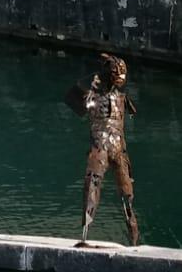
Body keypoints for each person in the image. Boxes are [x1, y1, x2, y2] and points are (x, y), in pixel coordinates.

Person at [65, 52, 140, 246]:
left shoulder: (122, 98)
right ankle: (85, 236)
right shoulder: (94, 95)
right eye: (117, 72)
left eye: (123, 73)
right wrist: (92, 83)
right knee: (92, 187)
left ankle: (134, 239)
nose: (121, 77)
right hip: (100, 147)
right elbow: (74, 100)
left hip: (118, 148)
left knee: (127, 193)